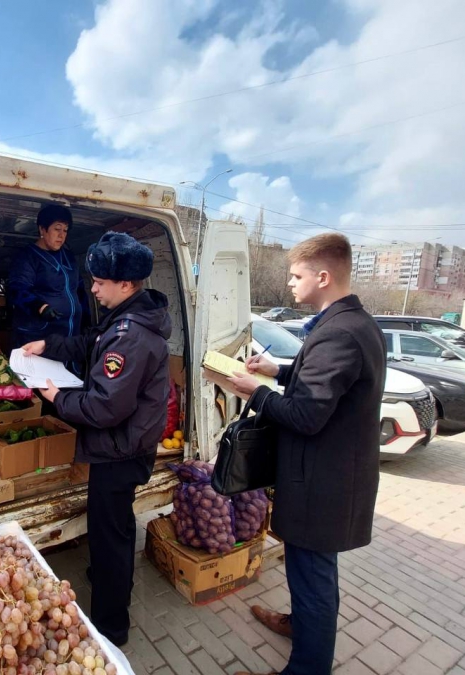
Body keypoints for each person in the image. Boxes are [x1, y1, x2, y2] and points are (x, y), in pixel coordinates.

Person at [205, 233, 385, 675]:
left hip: (323, 484)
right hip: (331, 475)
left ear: (323, 276)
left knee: (314, 578)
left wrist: (257, 391)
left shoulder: (339, 333)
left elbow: (306, 416)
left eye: (296, 275)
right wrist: (278, 370)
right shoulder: (353, 323)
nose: (289, 283)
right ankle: (300, 624)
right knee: (311, 574)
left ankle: (308, 666)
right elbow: (325, 384)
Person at [22, 231, 170, 647]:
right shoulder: (126, 320)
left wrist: (56, 396)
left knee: (109, 535)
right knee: (117, 525)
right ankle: (109, 578)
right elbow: (90, 341)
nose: (92, 288)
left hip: (119, 450)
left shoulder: (133, 336)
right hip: (125, 446)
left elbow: (105, 407)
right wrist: (49, 344)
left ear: (126, 285)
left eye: (100, 282)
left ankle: (110, 627)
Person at [9, 204, 89, 349]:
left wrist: (86, 322)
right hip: (39, 337)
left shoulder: (69, 257)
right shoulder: (28, 257)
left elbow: (80, 291)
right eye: (57, 229)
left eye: (65, 230)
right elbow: (17, 289)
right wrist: (40, 307)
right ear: (42, 229)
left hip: (71, 337)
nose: (61, 235)